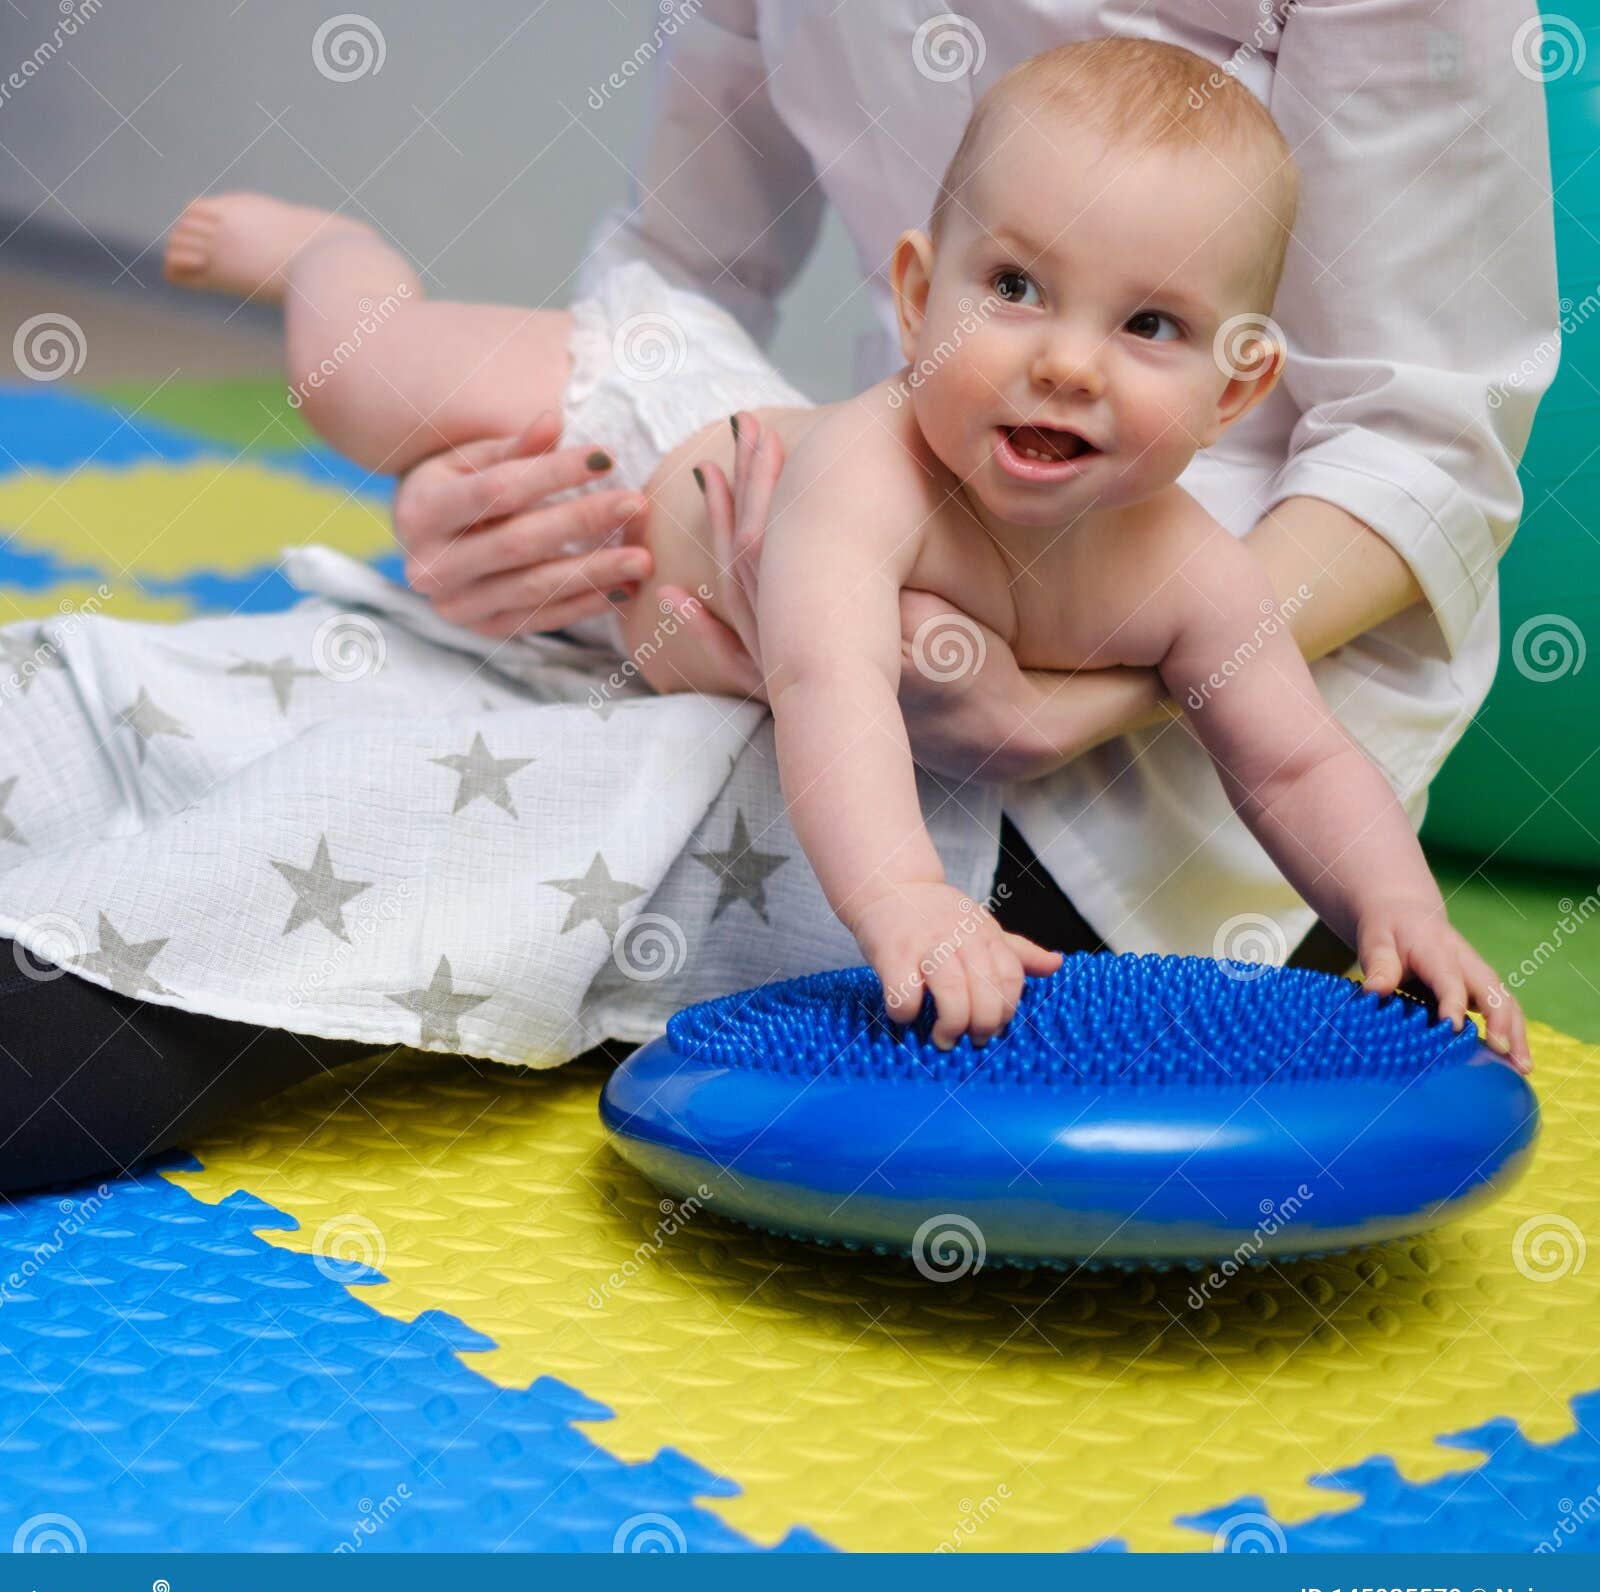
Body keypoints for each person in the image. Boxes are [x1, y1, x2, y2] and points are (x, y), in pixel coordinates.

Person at [157, 34, 1527, 1063]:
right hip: (640, 447)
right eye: (1014, 289)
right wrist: (912, 905)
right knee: (369, 377)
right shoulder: (869, 481)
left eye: (1148, 328)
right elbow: (829, 694)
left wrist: (1399, 910)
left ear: (1237, 392)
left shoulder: (1200, 579)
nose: (1064, 363)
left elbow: (1294, 759)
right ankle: (330, 253)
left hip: (694, 630)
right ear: (922, 291)